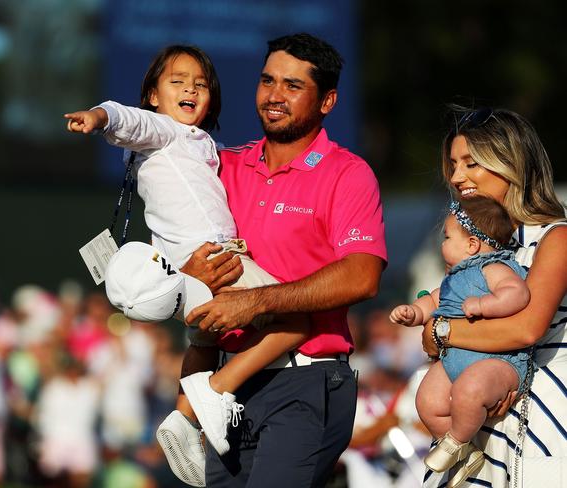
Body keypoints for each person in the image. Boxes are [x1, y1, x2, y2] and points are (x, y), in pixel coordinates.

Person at [64, 45, 310, 486]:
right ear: (153, 96)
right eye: (177, 81)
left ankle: (182, 421)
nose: (191, 89)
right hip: (217, 258)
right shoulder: (165, 130)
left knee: (203, 343)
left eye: (200, 84)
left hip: (186, 273)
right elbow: (129, 119)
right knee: (299, 317)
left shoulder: (196, 144)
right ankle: (213, 393)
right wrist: (100, 117)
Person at [176, 32, 387, 486]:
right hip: (228, 383)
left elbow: (363, 275)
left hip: (307, 379)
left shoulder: (347, 173)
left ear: (327, 100)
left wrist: (257, 302)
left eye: (293, 86)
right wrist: (186, 275)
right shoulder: (223, 165)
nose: (274, 96)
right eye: (267, 81)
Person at [420, 106, 567, 487]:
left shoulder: (556, 237)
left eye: (471, 163)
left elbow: (526, 329)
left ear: (511, 164)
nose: (456, 176)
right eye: (453, 164)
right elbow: (432, 335)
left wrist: (443, 331)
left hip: (542, 419)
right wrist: (437, 331)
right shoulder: (474, 248)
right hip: (475, 417)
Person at [390, 196, 531, 487]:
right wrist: (414, 312)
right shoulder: (454, 278)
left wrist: (484, 305)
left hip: (497, 360)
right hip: (457, 358)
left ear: (472, 245)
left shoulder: (494, 269)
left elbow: (517, 294)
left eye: (447, 237)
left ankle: (455, 441)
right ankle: (465, 451)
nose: (442, 244)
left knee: (470, 390)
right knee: (427, 400)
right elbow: (433, 300)